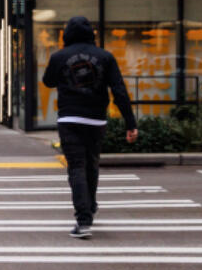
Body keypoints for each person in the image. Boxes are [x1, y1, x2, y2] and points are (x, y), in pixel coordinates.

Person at [41, 16, 138, 239]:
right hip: (96, 120)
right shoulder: (105, 57)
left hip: (69, 119)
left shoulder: (59, 56)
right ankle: (90, 207)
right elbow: (119, 91)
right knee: (91, 165)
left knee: (76, 167)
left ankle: (83, 220)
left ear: (67, 34)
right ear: (91, 34)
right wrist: (130, 123)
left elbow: (48, 81)